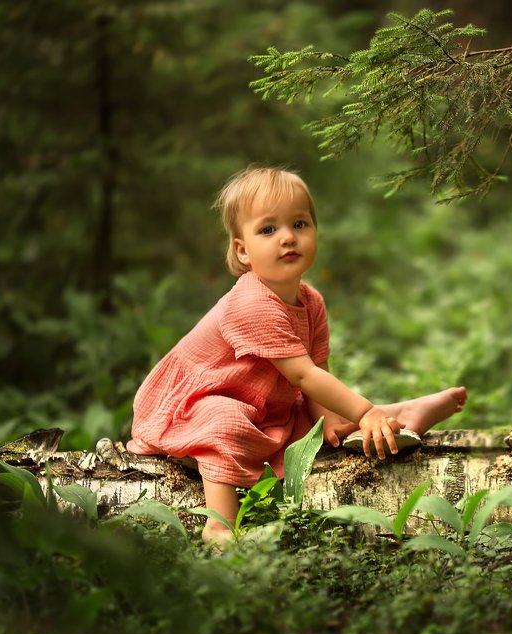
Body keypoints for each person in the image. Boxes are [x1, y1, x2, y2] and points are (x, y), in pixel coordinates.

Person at [127, 165, 467, 545]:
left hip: (263, 403)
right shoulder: (251, 302)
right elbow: (304, 375)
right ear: (243, 249)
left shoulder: (311, 301)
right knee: (225, 420)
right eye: (268, 230)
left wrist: (329, 419)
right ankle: (219, 525)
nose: (288, 237)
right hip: (192, 404)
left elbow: (318, 373)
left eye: (300, 224)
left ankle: (400, 416)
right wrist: (362, 411)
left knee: (320, 415)